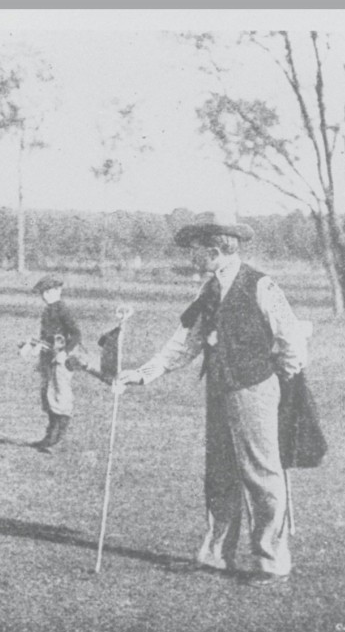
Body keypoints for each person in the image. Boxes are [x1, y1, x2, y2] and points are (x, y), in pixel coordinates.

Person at [118, 214, 307, 586]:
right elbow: (186, 341)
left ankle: (271, 561)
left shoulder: (261, 285)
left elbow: (291, 340)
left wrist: (279, 378)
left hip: (254, 388)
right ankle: (216, 556)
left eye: (195, 250)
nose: (191, 256)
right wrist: (144, 373)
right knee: (219, 473)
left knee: (261, 473)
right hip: (220, 389)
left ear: (216, 251)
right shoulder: (207, 289)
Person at [27, 275, 83, 452]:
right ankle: (50, 434)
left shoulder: (62, 310)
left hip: (61, 360)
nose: (45, 295)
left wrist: (65, 353)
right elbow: (47, 335)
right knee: (48, 394)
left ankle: (57, 437)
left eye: (49, 291)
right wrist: (37, 346)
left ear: (58, 291)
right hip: (48, 357)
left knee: (60, 395)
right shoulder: (49, 310)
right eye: (43, 292)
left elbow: (76, 334)